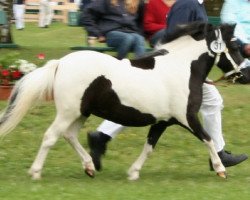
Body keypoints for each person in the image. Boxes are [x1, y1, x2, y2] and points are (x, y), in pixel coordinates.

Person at [88, 0, 248, 171]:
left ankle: (101, 136)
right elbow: (173, 36)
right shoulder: (188, 4)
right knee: (142, 103)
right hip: (173, 67)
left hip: (179, 66)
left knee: (144, 103)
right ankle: (218, 154)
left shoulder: (195, 4)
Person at [81, 0, 146, 60]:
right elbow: (87, 15)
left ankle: (140, 66)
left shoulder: (137, 2)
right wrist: (97, 33)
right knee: (128, 38)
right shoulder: (105, 1)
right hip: (112, 33)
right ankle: (118, 64)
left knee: (140, 39)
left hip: (131, 32)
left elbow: (142, 21)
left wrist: (139, 33)